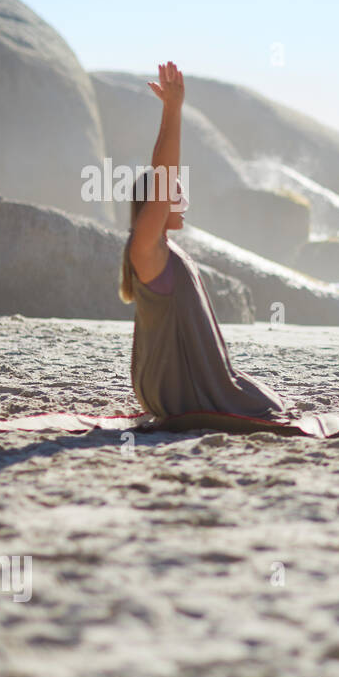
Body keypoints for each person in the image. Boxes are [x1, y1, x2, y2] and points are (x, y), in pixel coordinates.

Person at [119, 62, 289, 419]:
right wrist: (173, 109)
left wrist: (169, 111)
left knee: (266, 398)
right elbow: (163, 173)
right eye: (173, 195)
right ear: (158, 203)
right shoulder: (145, 248)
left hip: (165, 386)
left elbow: (160, 176)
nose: (182, 201)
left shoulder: (161, 248)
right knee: (261, 406)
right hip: (170, 390)